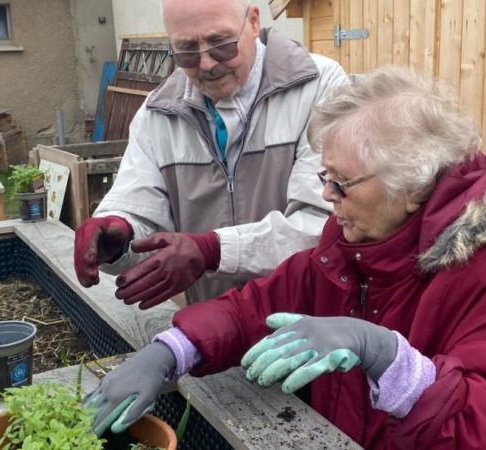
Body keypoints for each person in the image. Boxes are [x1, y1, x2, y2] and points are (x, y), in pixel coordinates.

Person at [84, 64, 486, 449]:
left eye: (340, 182)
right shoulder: (354, 242)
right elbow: (257, 307)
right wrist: (171, 351)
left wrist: (386, 354)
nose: (326, 195)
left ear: (411, 185)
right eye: (325, 176)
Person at [73, 0, 349, 308]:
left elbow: (323, 224)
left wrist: (213, 250)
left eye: (221, 43)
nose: (206, 64)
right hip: (212, 325)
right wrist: (121, 234)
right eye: (187, 51)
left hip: (309, 323)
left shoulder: (318, 87)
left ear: (253, 23)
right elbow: (139, 209)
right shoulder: (158, 114)